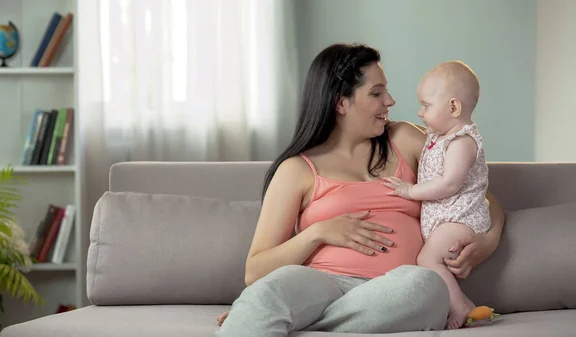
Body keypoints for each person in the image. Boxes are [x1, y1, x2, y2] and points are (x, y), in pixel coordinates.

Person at [216, 43, 505, 337]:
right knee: (268, 293)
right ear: (341, 103)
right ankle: (278, 314)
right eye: (376, 93)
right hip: (320, 282)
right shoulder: (296, 169)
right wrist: (318, 232)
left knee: (426, 286)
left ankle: (299, 323)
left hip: (394, 288)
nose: (390, 101)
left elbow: (478, 195)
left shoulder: (404, 140)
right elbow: (255, 270)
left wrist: (489, 241)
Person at [383, 60, 490, 329]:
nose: (420, 112)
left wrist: (411, 191)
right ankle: (468, 306)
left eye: (426, 105)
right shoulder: (437, 136)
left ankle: (457, 306)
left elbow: (449, 184)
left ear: (453, 107)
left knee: (426, 259)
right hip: (448, 220)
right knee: (427, 258)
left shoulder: (462, 142)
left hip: (461, 220)